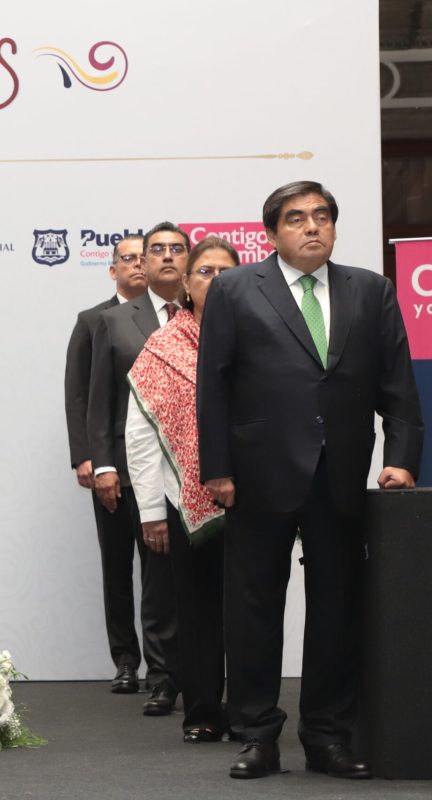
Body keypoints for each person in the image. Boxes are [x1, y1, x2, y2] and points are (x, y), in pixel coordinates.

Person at [197, 181, 424, 779]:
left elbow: (398, 383)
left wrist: (402, 456)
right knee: (253, 610)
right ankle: (257, 735)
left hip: (341, 477)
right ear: (272, 233)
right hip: (254, 477)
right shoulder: (234, 289)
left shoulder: (370, 290)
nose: (312, 227)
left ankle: (326, 735)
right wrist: (216, 468)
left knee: (338, 609)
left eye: (322, 217)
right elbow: (212, 384)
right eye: (296, 219)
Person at [125, 236, 238, 743]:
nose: (215, 280)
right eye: (205, 272)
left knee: (250, 610)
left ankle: (254, 710)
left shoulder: (262, 338)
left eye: (225, 272)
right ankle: (204, 712)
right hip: (183, 502)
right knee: (196, 612)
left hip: (257, 498)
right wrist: (150, 510)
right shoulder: (162, 346)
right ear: (186, 286)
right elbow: (141, 435)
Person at [87, 222, 188, 715]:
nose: (167, 257)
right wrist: (102, 461)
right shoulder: (115, 321)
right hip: (133, 468)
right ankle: (158, 673)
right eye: (157, 251)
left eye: (177, 249)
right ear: (141, 264)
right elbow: (98, 401)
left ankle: (197, 672)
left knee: (185, 576)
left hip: (197, 471)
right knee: (149, 573)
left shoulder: (210, 311)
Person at [63, 235, 149, 693]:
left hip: (159, 467)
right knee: (117, 566)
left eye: (144, 257)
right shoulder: (92, 320)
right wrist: (87, 458)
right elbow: (79, 394)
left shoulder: (170, 318)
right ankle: (125, 660)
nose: (137, 264)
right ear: (112, 269)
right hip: (111, 463)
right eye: (127, 259)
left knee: (160, 570)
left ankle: (165, 663)